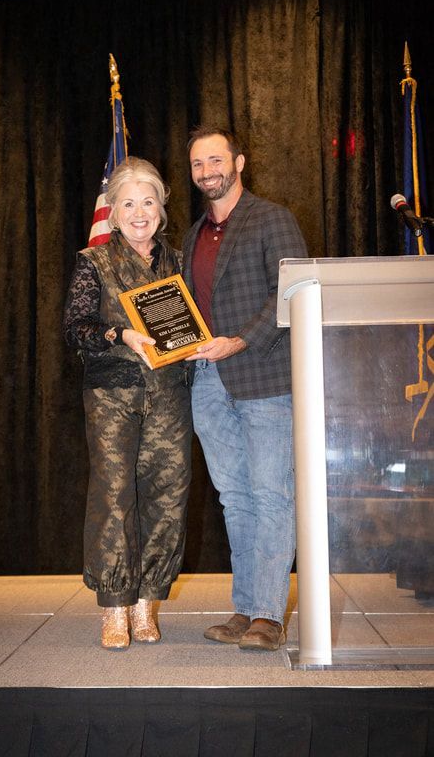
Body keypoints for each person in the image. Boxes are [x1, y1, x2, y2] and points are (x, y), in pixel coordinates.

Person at [183, 126, 308, 650]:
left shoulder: (271, 218)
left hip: (263, 378)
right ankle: (245, 606)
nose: (207, 170)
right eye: (197, 164)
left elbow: (293, 293)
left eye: (216, 159)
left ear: (238, 162)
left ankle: (269, 616)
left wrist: (238, 341)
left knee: (271, 495)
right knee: (235, 499)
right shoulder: (192, 235)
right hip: (207, 382)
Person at [63, 157, 192, 650]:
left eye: (149, 201)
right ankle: (115, 606)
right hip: (113, 394)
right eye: (129, 203)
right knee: (114, 496)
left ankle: (146, 605)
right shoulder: (92, 263)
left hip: (170, 395)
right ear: (112, 213)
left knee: (167, 495)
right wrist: (121, 334)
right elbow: (75, 330)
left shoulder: (180, 262)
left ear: (162, 208)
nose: (140, 212)